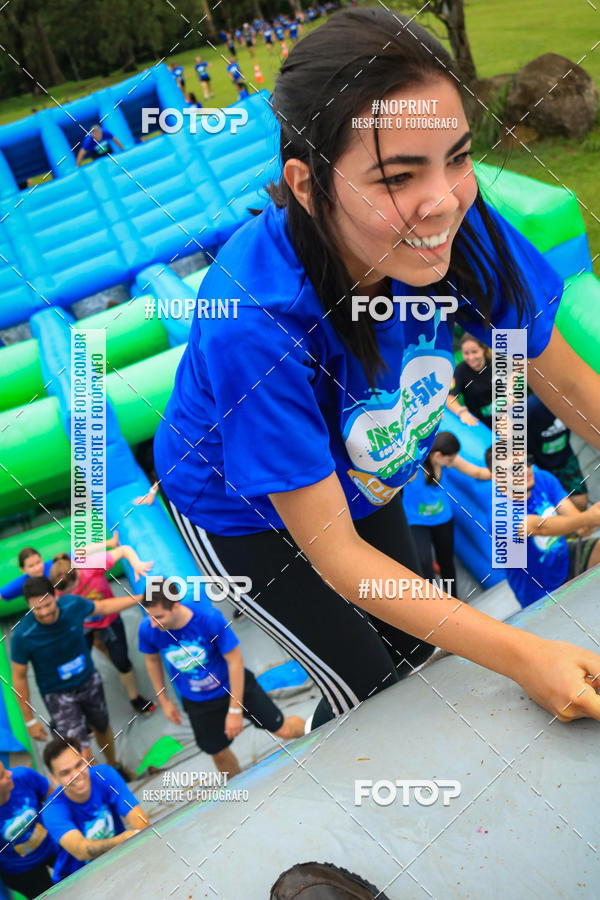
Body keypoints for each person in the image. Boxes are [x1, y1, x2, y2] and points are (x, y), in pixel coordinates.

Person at [153, 8, 600, 729]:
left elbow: (569, 383)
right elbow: (337, 556)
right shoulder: (254, 321)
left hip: (370, 468)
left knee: (421, 658)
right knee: (372, 700)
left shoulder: (467, 221)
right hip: (247, 516)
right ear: (306, 185)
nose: (442, 202)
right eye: (397, 177)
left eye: (457, 156)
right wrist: (525, 655)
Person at [138, 579, 304, 777]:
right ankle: (242, 789)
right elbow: (152, 661)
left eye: (158, 617)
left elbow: (235, 661)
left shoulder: (208, 619)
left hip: (233, 686)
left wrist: (235, 709)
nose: (153, 623)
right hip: (198, 701)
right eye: (149, 616)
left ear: (176, 604)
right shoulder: (148, 629)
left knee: (283, 730)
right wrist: (163, 700)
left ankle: (318, 728)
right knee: (218, 753)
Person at [11, 576, 143, 770]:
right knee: (77, 747)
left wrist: (142, 597)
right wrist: (29, 720)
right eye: (37, 609)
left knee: (102, 726)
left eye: (47, 605)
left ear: (55, 596)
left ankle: (114, 766)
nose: (45, 612)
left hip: (89, 680)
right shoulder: (23, 634)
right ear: (28, 605)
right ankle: (99, 779)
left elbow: (104, 607)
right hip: (57, 694)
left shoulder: (73, 605)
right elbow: (19, 677)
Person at [485, 449, 600, 607]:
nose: (526, 470)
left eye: (527, 462)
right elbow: (539, 528)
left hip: (565, 560)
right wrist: (588, 518)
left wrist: (589, 522)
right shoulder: (500, 514)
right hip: (539, 592)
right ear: (497, 477)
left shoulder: (543, 479)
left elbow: (580, 525)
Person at [49, 547, 155, 717]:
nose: (70, 594)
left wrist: (137, 564)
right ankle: (77, 708)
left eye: (72, 589)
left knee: (121, 660)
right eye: (65, 592)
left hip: (108, 618)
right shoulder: (57, 589)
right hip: (83, 625)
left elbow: (124, 550)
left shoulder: (90, 566)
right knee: (76, 666)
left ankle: (135, 698)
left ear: (76, 573)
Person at [41, 737, 148, 884]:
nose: (76, 775)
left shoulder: (104, 774)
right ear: (53, 779)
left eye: (79, 765)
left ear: (85, 760)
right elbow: (80, 850)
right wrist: (122, 840)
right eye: (65, 773)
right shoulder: (52, 809)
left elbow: (138, 818)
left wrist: (141, 838)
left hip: (119, 859)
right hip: (77, 881)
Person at [403, 431, 490, 597]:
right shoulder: (415, 467)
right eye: (449, 460)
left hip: (443, 518)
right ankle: (433, 603)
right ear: (437, 455)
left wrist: (500, 474)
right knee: (423, 562)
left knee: (447, 562)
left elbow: (476, 472)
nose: (450, 464)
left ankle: (453, 599)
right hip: (417, 521)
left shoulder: (446, 458)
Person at [0, 533, 119, 601]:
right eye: (31, 566)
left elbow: (81, 551)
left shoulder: (54, 565)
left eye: (38, 562)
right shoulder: (23, 583)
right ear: (23, 569)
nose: (37, 568)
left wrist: (109, 543)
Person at [0, 762, 57, 898]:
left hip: (51, 844)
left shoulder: (23, 776)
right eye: (2, 776)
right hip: (20, 869)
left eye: (5, 770)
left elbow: (54, 799)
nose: (10, 774)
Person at [527, 394, 587, 510]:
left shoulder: (572, 403)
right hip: (539, 465)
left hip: (565, 457)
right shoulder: (530, 409)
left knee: (581, 501)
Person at [446, 333, 492, 428]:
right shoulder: (460, 370)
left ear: (483, 349)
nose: (471, 358)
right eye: (466, 353)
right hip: (481, 421)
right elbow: (450, 399)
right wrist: (462, 412)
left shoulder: (495, 362)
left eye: (474, 352)